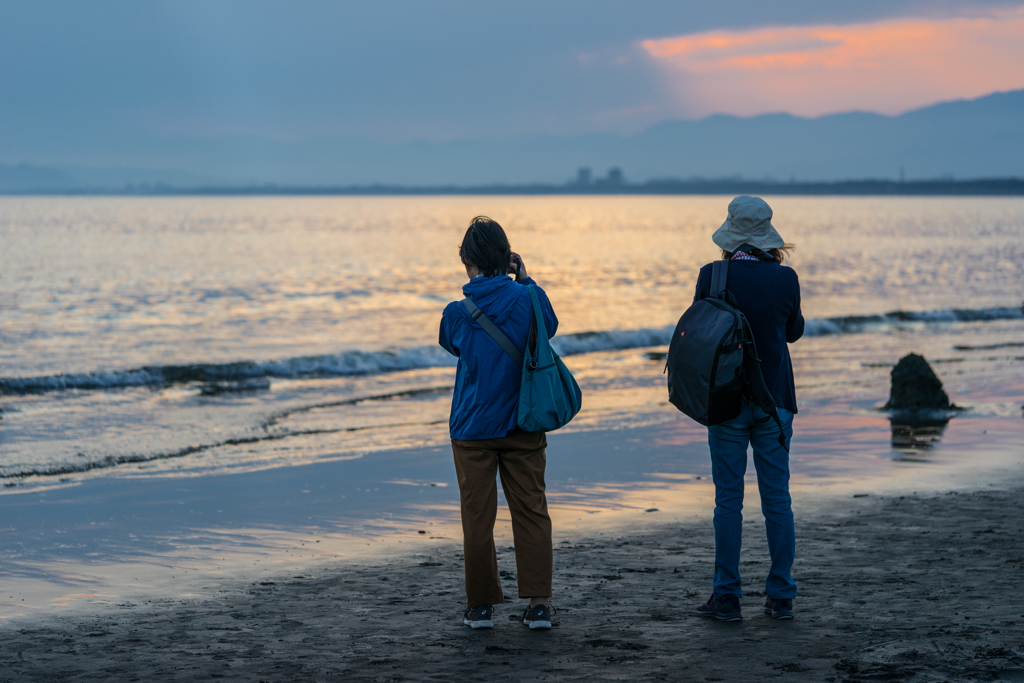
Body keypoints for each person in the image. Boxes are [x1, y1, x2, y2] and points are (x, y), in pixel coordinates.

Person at [438, 216, 559, 631]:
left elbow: (452, 345)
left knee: (477, 517)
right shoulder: (529, 298)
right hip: (524, 423)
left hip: (472, 429)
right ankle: (539, 605)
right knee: (532, 511)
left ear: (468, 260)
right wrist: (526, 280)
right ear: (507, 258)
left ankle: (481, 607)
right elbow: (551, 328)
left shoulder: (456, 313)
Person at [692, 196, 804, 622]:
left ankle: (727, 597)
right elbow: (793, 332)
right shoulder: (785, 279)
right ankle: (781, 595)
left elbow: (701, 332)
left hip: (724, 402)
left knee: (728, 500)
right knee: (777, 499)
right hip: (774, 402)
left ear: (731, 232)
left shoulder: (712, 275)